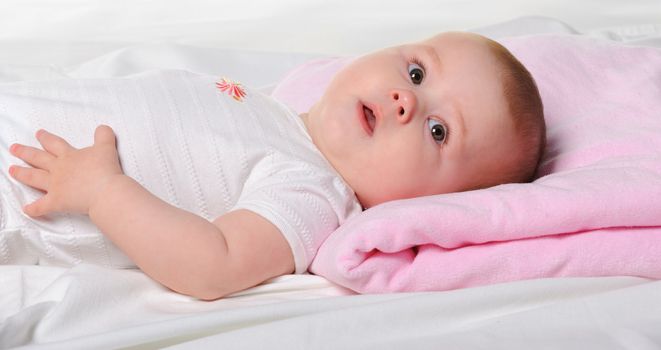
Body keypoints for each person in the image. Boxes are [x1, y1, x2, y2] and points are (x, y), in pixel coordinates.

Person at [4, 32, 545, 300]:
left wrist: (103, 193)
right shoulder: (277, 111)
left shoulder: (313, 194)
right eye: (418, 72)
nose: (407, 100)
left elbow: (212, 265)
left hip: (20, 196)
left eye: (438, 132)